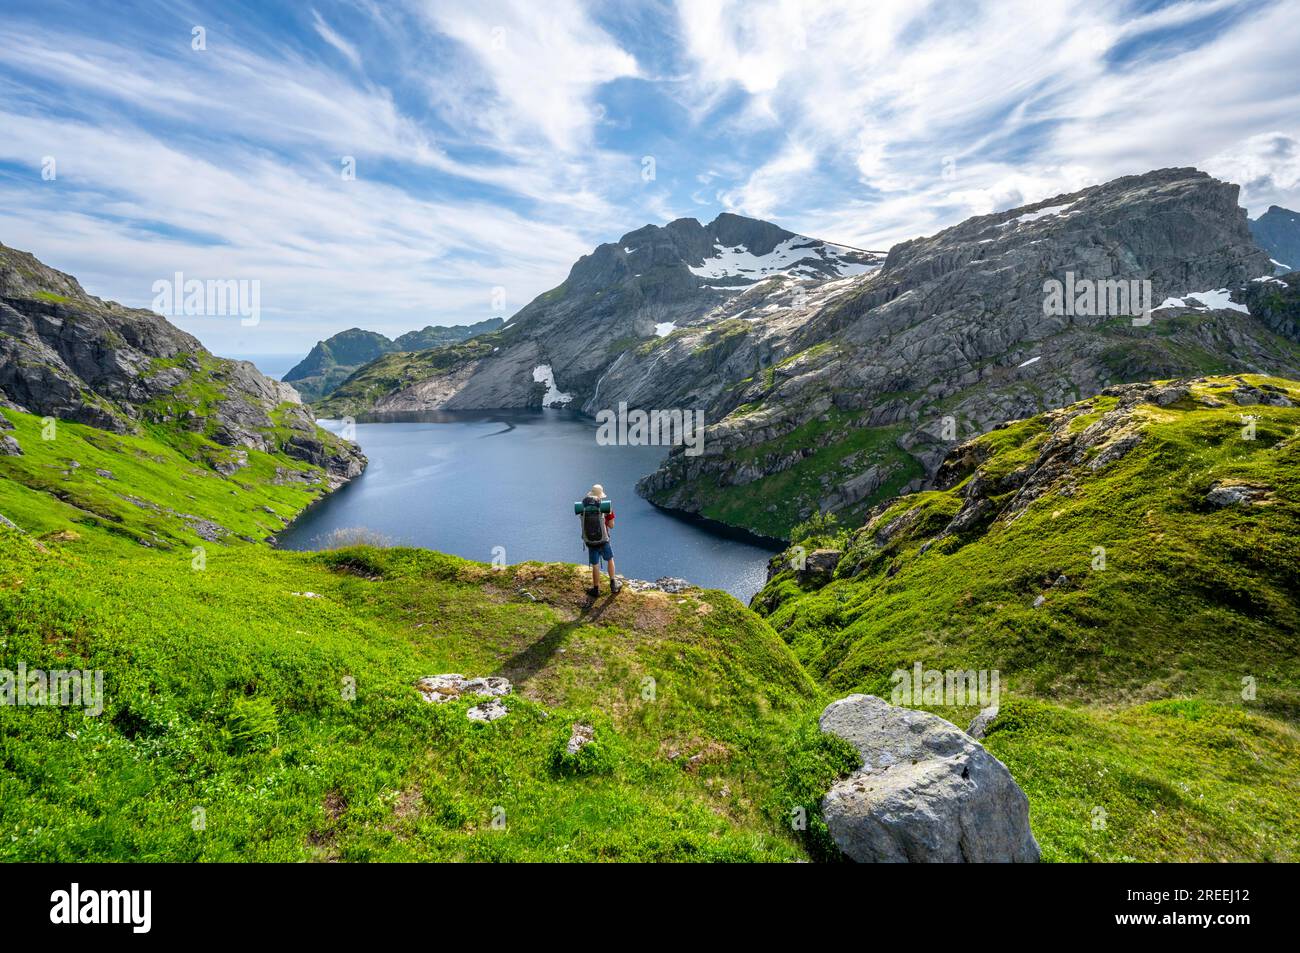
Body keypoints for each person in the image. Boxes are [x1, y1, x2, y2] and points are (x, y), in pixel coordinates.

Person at [578, 484, 620, 595]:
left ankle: (596, 589)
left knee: (595, 565)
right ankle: (613, 585)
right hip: (603, 540)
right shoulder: (605, 507)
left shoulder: (583, 506)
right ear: (601, 495)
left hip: (590, 541)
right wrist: (604, 520)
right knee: (610, 559)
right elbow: (611, 525)